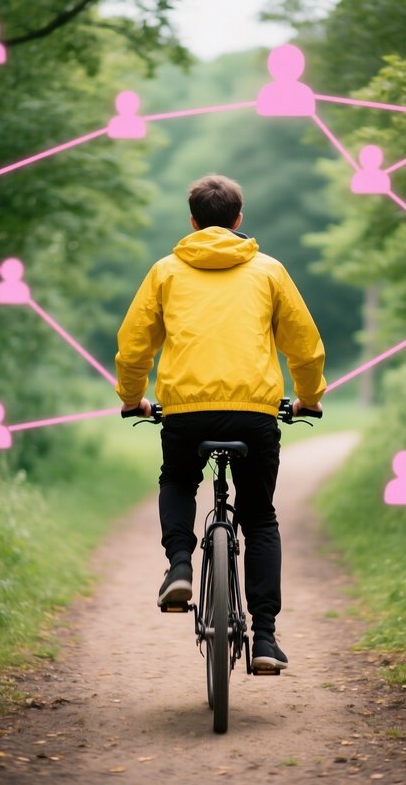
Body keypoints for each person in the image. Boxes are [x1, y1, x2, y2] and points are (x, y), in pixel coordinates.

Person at [115, 174, 325, 672]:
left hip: (185, 411)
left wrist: (132, 399)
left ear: (192, 222)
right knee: (259, 518)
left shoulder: (166, 271)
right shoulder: (269, 271)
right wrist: (309, 399)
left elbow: (134, 345)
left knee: (179, 479)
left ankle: (180, 566)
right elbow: (305, 345)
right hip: (255, 413)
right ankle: (267, 639)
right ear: (238, 220)